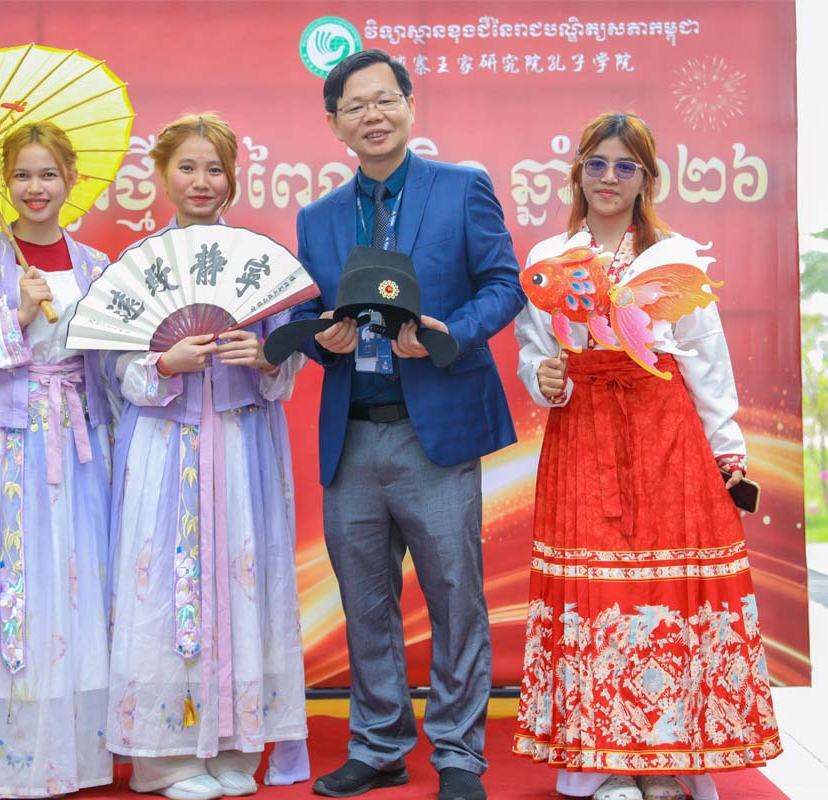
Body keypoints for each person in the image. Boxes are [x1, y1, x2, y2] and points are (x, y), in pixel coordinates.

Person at [512, 111, 782, 800]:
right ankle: (601, 762)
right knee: (595, 589)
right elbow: (534, 352)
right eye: (597, 163)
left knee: (664, 589)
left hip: (665, 436)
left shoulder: (673, 257)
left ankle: (664, 763)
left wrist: (728, 452)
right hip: (582, 432)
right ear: (578, 172)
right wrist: (544, 375)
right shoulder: (549, 256)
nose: (609, 178)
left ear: (646, 179)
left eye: (624, 166)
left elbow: (707, 361)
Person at [292, 50, 525, 800]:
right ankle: (379, 744)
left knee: (455, 594)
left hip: (437, 427)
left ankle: (458, 753)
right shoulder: (318, 218)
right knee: (365, 601)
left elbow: (505, 284)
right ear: (335, 124)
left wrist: (450, 332)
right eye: (355, 106)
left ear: (409, 107)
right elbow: (307, 310)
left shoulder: (461, 188)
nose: (373, 115)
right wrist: (321, 338)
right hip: (353, 430)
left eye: (385, 99)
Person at [104, 113, 309, 800]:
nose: (201, 181)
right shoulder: (136, 267)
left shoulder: (259, 262)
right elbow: (114, 372)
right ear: (162, 176)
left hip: (242, 443)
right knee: (168, 584)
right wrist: (164, 363)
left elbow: (286, 364)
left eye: (215, 168)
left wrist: (267, 357)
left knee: (240, 578)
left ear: (233, 178)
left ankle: (233, 740)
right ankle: (163, 755)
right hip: (166, 447)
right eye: (187, 167)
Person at [0, 121, 117, 798]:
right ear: (5, 183)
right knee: (13, 581)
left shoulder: (96, 265)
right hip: (7, 446)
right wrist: (16, 316)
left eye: (48, 174)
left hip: (80, 444)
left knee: (74, 585)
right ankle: (5, 750)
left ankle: (73, 746)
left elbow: (113, 358)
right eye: (22, 175)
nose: (36, 188)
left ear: (71, 180)